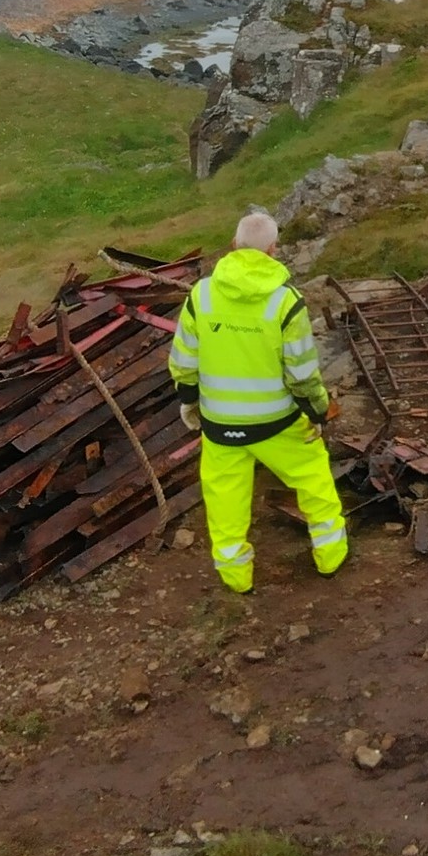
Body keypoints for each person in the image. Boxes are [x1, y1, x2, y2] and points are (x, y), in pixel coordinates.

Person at [167, 210, 347, 593]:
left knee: (225, 503)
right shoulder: (286, 303)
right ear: (273, 250)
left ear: (234, 245)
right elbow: (302, 373)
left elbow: (184, 361)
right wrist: (317, 412)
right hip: (277, 424)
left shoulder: (201, 295)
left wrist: (189, 400)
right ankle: (330, 557)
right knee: (314, 479)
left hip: (220, 426)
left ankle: (237, 579)